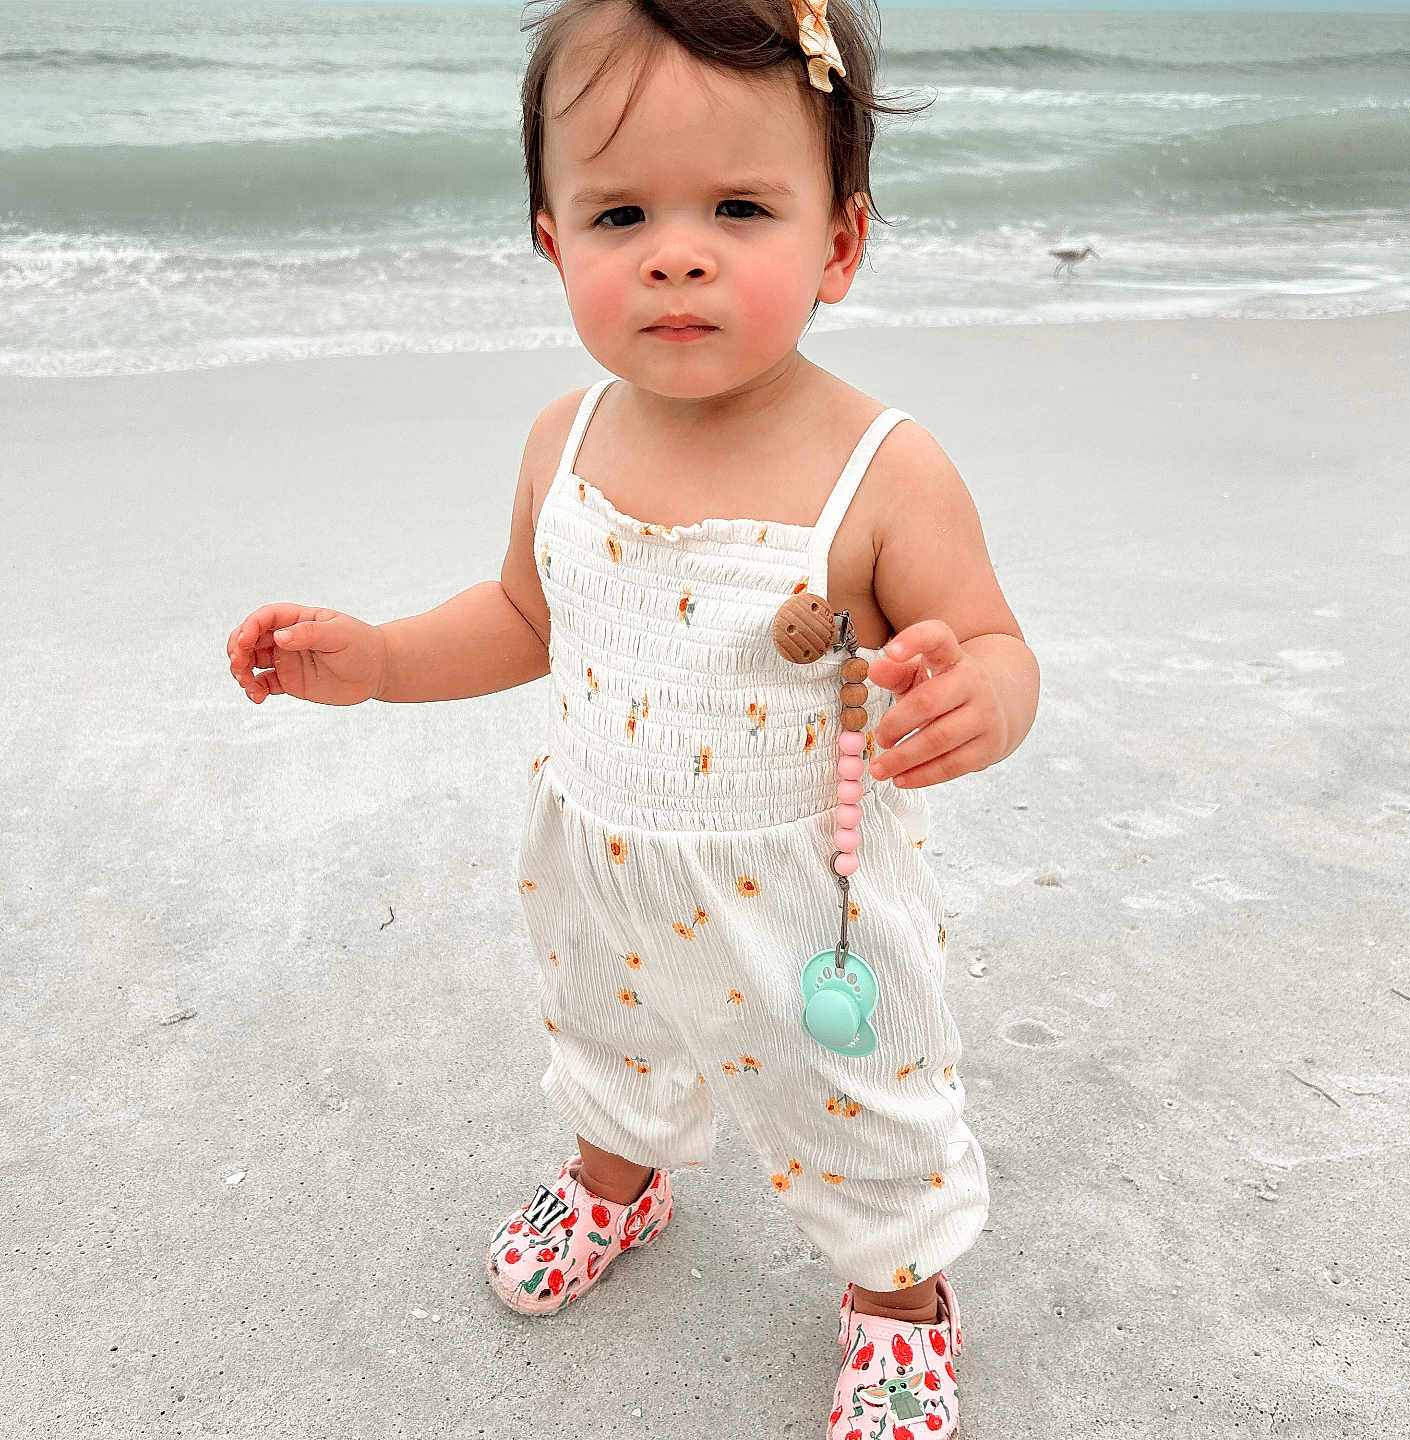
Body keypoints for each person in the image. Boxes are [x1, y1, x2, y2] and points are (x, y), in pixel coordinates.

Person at [225, 0, 1039, 1434]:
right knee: (608, 1034)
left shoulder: (884, 472)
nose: (678, 248)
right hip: (597, 850)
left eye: (739, 204)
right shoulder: (568, 439)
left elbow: (988, 642)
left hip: (796, 890)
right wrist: (373, 660)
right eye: (619, 213)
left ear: (838, 241)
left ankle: (900, 1294)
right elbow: (530, 618)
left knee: (859, 1098)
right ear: (552, 239)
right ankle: (622, 1176)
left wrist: (982, 696)